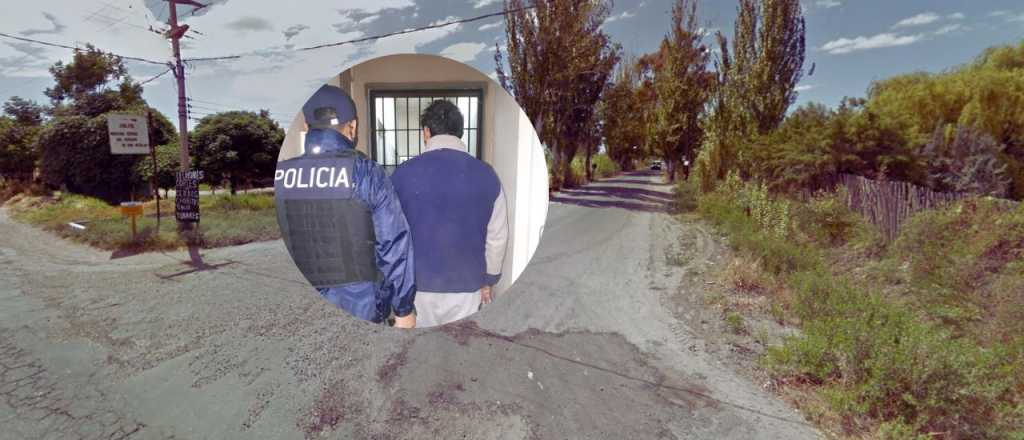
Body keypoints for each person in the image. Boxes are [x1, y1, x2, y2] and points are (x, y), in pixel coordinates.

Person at [274, 84, 416, 328]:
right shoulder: (366, 172)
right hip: (361, 307)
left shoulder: (281, 176)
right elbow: (394, 244)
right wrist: (403, 309)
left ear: (306, 126)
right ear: (353, 126)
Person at [391, 99, 509, 328]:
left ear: (426, 132)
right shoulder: (487, 175)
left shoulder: (401, 175)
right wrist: (490, 279)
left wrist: (395, 284)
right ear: (460, 132)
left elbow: (390, 236)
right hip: (468, 286)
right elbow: (497, 237)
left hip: (417, 287)